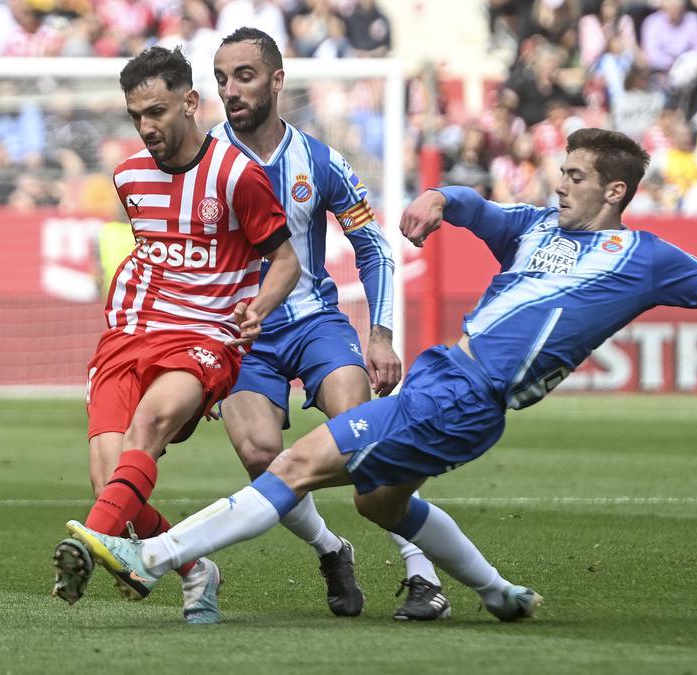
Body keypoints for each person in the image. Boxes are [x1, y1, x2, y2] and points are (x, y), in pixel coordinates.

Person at [59, 128, 697, 621]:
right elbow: (478, 208)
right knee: (378, 500)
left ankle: (154, 551)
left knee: (295, 462)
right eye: (563, 171)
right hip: (447, 379)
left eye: (577, 177)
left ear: (615, 192)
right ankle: (500, 593)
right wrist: (442, 202)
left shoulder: (646, 259)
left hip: (466, 394)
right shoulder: (540, 229)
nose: (561, 185)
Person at [49, 46, 301, 625]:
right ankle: (193, 567)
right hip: (128, 334)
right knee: (109, 478)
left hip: (206, 334)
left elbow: (284, 261)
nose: (147, 127)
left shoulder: (238, 175)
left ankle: (90, 547)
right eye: (136, 116)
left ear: (190, 103)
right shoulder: (128, 175)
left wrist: (258, 307)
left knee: (150, 426)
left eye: (157, 112)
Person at [209, 28, 449, 620]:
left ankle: (423, 572)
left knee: (360, 429)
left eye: (244, 75)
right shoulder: (201, 159)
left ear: (276, 80)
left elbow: (372, 246)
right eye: (220, 79)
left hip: (315, 320)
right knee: (262, 454)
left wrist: (382, 332)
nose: (230, 90)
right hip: (241, 335)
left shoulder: (320, 160)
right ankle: (330, 548)